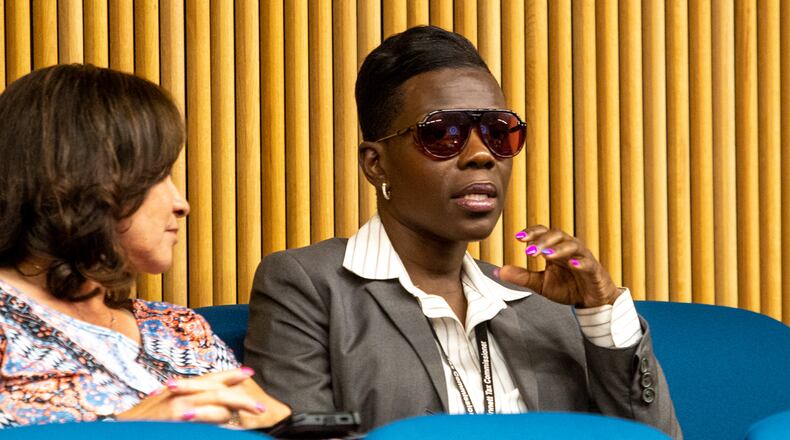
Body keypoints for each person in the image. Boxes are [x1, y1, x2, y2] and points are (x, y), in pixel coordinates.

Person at [245, 26, 681, 437]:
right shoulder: (309, 286)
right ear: (375, 163)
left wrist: (601, 313)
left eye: (498, 133)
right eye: (443, 134)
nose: (481, 155)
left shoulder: (541, 308)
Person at [0, 64, 290, 428]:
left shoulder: (181, 329)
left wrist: (284, 426)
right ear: (79, 178)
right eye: (157, 177)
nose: (181, 204)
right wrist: (126, 429)